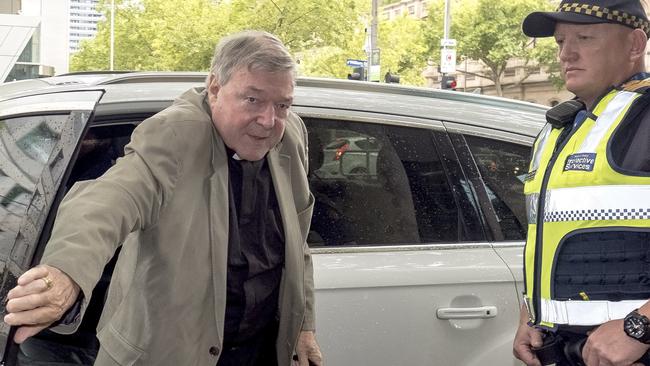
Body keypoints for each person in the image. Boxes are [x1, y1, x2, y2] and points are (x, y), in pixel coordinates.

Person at [3, 30, 323, 366]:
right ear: (215, 88)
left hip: (259, 351)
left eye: (282, 104)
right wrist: (66, 272)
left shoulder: (291, 135)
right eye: (253, 100)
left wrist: (303, 325)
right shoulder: (174, 133)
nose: (269, 120)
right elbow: (109, 199)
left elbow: (297, 241)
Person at [513, 0, 650, 365]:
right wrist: (532, 313)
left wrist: (641, 327)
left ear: (635, 45)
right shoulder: (559, 128)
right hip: (564, 348)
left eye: (585, 38)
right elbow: (548, 235)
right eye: (560, 42)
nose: (567, 54)